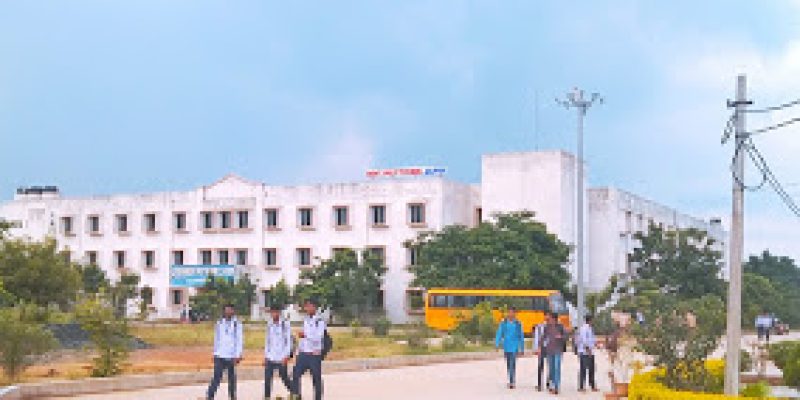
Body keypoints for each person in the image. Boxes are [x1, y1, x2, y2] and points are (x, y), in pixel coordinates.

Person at [205, 304, 243, 400]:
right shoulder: (219, 323)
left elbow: (239, 340)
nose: (228, 312)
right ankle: (209, 396)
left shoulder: (237, 324)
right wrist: (214, 352)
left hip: (231, 355)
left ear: (233, 311)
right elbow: (216, 339)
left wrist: (238, 355)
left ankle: (232, 396)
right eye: (226, 310)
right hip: (220, 354)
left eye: (230, 310)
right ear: (224, 311)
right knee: (216, 377)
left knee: (231, 378)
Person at [291, 298, 326, 400]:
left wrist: (305, 335)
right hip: (303, 354)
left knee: (316, 379)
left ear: (315, 307)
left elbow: (318, 337)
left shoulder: (320, 321)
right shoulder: (306, 319)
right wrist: (299, 350)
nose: (307, 308)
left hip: (314, 354)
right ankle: (297, 396)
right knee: (295, 375)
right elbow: (303, 338)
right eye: (306, 306)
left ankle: (318, 397)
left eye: (309, 306)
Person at [264, 305, 293, 399]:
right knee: (267, 379)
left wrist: (286, 356)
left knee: (284, 378)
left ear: (279, 313)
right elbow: (267, 341)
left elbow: (289, 341)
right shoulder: (269, 324)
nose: (274, 314)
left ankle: (295, 393)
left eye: (276, 312)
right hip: (271, 356)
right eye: (272, 312)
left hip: (281, 356)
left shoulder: (285, 324)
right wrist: (266, 355)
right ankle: (267, 397)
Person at [495, 307, 524, 389]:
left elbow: (521, 336)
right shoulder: (504, 323)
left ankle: (512, 381)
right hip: (506, 346)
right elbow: (499, 333)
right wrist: (497, 344)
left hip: (514, 347)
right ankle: (510, 379)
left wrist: (522, 348)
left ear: (515, 313)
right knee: (508, 364)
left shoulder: (518, 324)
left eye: (512, 312)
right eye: (509, 312)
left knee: (512, 364)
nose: (511, 314)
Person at [539, 312, 566, 395]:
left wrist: (561, 337)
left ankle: (556, 386)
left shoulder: (560, 327)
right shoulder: (547, 327)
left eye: (550, 318)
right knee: (551, 368)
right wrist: (540, 347)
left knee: (557, 368)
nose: (549, 319)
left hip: (558, 350)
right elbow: (543, 337)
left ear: (554, 319)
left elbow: (566, 336)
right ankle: (552, 384)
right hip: (549, 350)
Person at [576, 315, 598, 392]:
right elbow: (584, 340)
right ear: (589, 320)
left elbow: (593, 339)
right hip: (584, 352)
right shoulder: (583, 328)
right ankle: (581, 386)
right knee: (583, 369)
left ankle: (592, 385)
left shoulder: (590, 328)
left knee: (592, 369)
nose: (593, 322)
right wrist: (588, 350)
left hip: (591, 352)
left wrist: (596, 345)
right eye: (592, 320)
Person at [532, 319, 549, 391]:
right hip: (541, 348)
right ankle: (539, 384)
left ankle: (549, 382)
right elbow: (536, 338)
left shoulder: (553, 326)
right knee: (540, 366)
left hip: (550, 348)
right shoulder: (539, 327)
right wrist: (536, 348)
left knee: (550, 366)